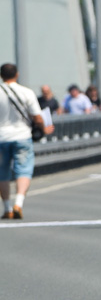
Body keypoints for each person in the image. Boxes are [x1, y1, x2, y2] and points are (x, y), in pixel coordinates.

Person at [1, 63, 53, 220]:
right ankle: (19, 203)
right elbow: (37, 117)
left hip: (1, 138)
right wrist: (45, 129)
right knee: (23, 170)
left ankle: (7, 208)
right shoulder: (27, 92)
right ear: (16, 74)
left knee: (2, 173)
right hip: (22, 136)